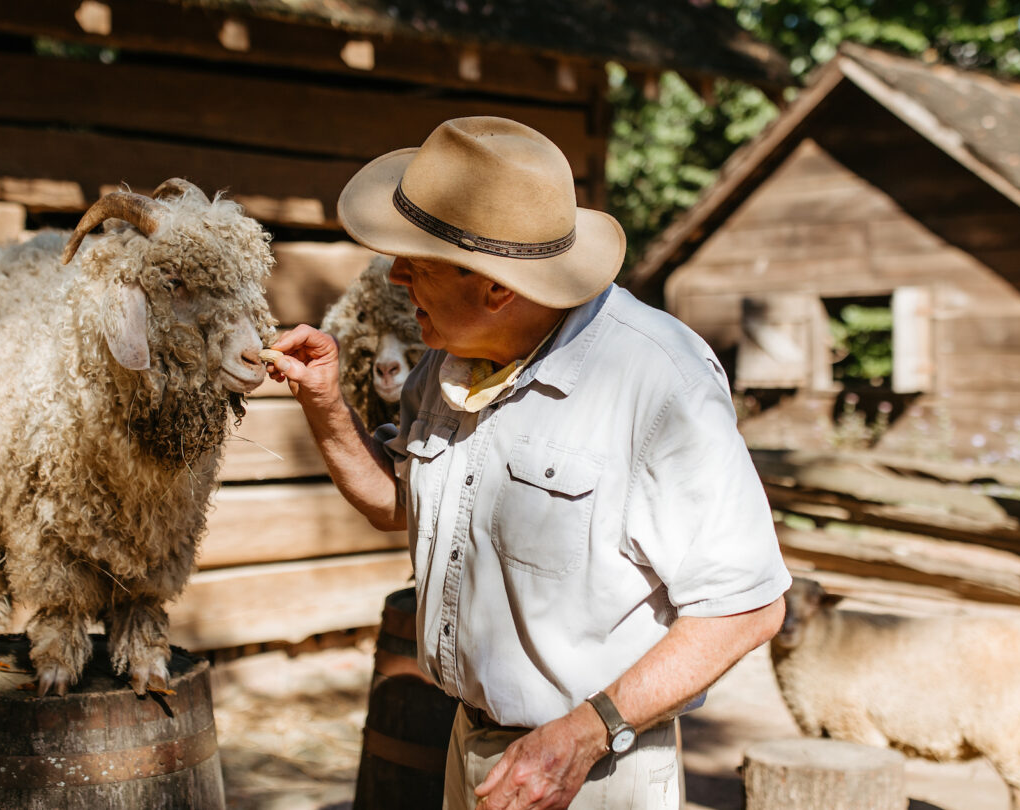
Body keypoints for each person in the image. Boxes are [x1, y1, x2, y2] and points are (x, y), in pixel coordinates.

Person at [265, 117, 791, 810]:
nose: (395, 276)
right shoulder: (447, 364)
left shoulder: (658, 380)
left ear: (495, 287)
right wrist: (326, 402)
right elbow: (399, 503)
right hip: (472, 744)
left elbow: (748, 607)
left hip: (592, 771)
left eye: (416, 261)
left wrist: (582, 736)